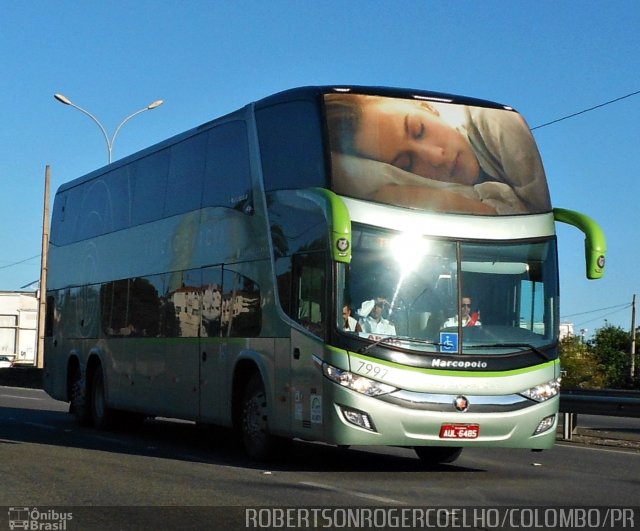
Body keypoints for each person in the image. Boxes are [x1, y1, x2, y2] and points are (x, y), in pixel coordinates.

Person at [325, 93, 551, 215]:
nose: (435, 157)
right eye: (407, 165)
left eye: (419, 130)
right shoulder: (409, 190)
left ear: (428, 106)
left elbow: (535, 225)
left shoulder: (498, 124)